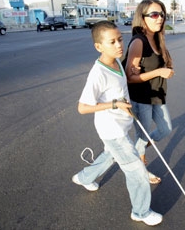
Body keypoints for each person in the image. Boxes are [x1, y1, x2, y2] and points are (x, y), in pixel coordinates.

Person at [72, 20, 162, 226]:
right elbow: (83, 107)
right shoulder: (98, 73)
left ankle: (84, 178)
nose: (119, 45)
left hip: (121, 125)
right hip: (112, 131)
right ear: (98, 46)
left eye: (120, 39)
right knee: (136, 171)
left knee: (110, 156)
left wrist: (126, 106)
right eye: (112, 42)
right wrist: (114, 104)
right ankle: (140, 212)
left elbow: (121, 91)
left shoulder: (117, 62)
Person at [123, 0, 174, 185]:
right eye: (154, 14)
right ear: (142, 17)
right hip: (141, 98)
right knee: (142, 137)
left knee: (165, 129)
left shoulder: (157, 38)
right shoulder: (139, 41)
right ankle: (141, 169)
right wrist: (159, 72)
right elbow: (130, 77)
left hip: (157, 96)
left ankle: (135, 150)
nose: (159, 18)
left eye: (162, 14)